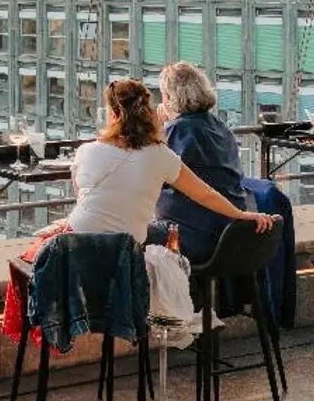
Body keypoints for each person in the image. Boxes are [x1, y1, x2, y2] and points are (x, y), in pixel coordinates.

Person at [49, 79, 272, 242]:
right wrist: (242, 214)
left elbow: (84, 198)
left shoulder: (86, 151)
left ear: (114, 116)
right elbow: (205, 193)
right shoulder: (161, 154)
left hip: (79, 243)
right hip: (126, 249)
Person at [152, 61, 247, 263]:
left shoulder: (178, 131)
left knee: (129, 235)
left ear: (168, 97)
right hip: (231, 234)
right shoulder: (219, 126)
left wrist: (161, 128)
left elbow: (152, 178)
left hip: (195, 236)